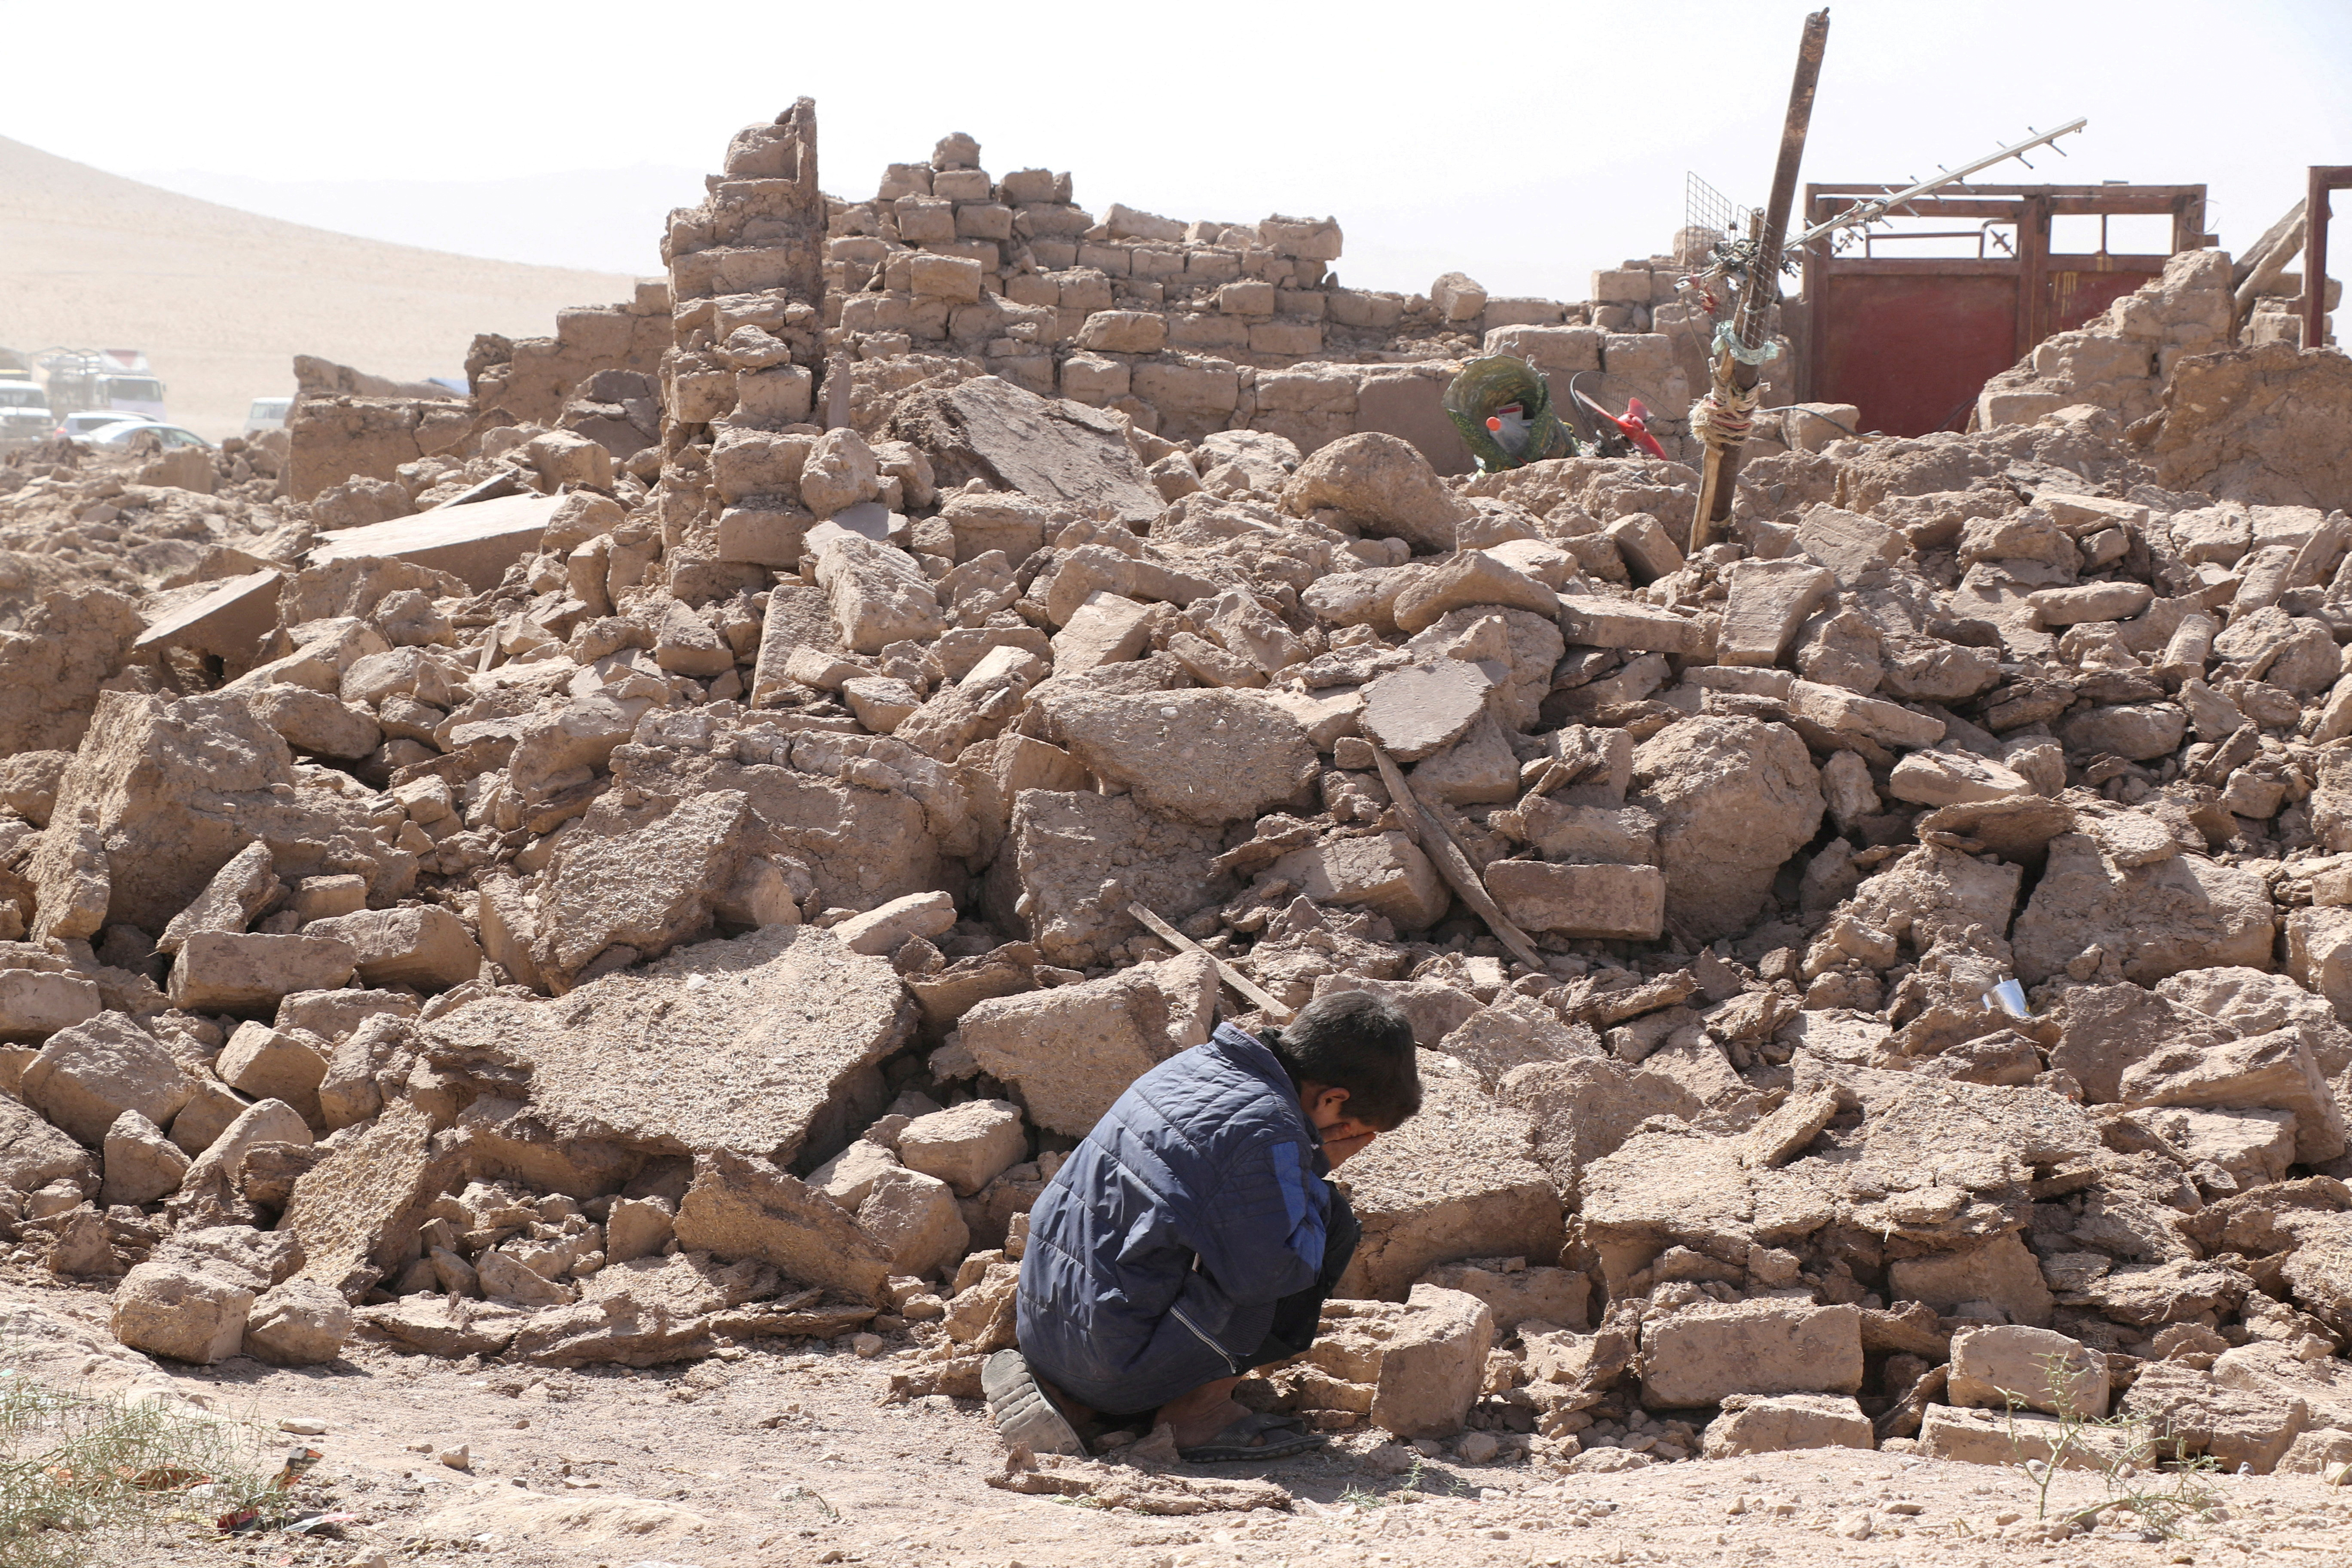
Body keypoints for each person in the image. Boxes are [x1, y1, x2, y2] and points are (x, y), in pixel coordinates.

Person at [984, 991, 1422, 1463]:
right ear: (1333, 1098)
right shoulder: (1268, 1126)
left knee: (1234, 1228)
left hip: (1045, 1333)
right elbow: (1273, 1273)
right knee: (1324, 1226)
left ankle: (1072, 1397)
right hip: (1112, 1365)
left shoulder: (1198, 1064)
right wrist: (1312, 1170)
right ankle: (1197, 1413)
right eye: (1353, 1127)